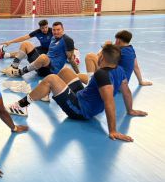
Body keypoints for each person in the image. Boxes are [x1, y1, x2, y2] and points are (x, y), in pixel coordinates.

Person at [8, 44, 147, 141]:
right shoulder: (119, 70)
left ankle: (21, 106)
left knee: (51, 79)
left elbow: (109, 102)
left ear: (103, 58)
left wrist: (113, 130)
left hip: (81, 110)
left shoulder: (102, 75)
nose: (97, 56)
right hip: (83, 96)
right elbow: (127, 92)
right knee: (65, 71)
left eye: (100, 54)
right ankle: (44, 93)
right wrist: (131, 110)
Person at [1, 21, 80, 77]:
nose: (56, 32)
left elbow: (71, 59)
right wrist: (10, 42)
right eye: (54, 30)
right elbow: (25, 37)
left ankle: (20, 72)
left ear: (63, 29)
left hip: (50, 70)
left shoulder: (67, 40)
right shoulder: (53, 37)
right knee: (26, 44)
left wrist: (78, 74)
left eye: (58, 30)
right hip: (40, 65)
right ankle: (14, 67)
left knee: (43, 57)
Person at [83, 30, 152, 86]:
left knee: (90, 56)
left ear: (118, 40)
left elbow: (100, 60)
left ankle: (91, 84)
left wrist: (105, 47)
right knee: (79, 76)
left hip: (113, 83)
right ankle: (91, 80)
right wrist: (141, 81)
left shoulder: (118, 51)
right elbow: (136, 67)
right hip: (123, 84)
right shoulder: (131, 49)